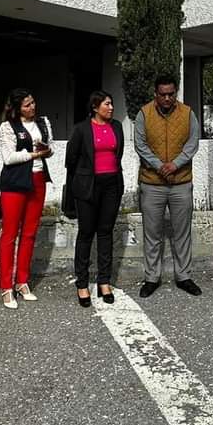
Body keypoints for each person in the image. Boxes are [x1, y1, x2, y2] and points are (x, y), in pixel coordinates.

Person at [135, 75, 202, 298]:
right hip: (152, 183)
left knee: (182, 233)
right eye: (162, 94)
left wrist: (176, 164)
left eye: (171, 94)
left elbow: (193, 142)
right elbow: (140, 145)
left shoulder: (188, 113)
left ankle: (183, 276)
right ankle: (152, 278)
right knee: (152, 233)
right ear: (156, 94)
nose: (167, 98)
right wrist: (159, 166)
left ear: (176, 93)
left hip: (181, 182)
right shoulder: (144, 114)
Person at [66, 90, 124, 308]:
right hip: (88, 186)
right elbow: (71, 158)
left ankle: (104, 281)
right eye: (107, 104)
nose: (111, 108)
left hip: (111, 185)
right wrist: (79, 182)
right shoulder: (82, 129)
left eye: (111, 104)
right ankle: (82, 283)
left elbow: (117, 155)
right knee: (86, 233)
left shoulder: (116, 126)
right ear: (95, 107)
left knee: (106, 232)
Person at [0, 88, 53, 309]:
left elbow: (51, 149)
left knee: (30, 232)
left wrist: (45, 151)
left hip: (38, 179)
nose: (32, 107)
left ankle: (22, 281)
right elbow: (9, 158)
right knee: (10, 234)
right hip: (15, 181)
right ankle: (6, 286)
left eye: (33, 103)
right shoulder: (7, 127)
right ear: (17, 108)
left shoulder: (43, 122)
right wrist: (33, 154)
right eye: (27, 105)